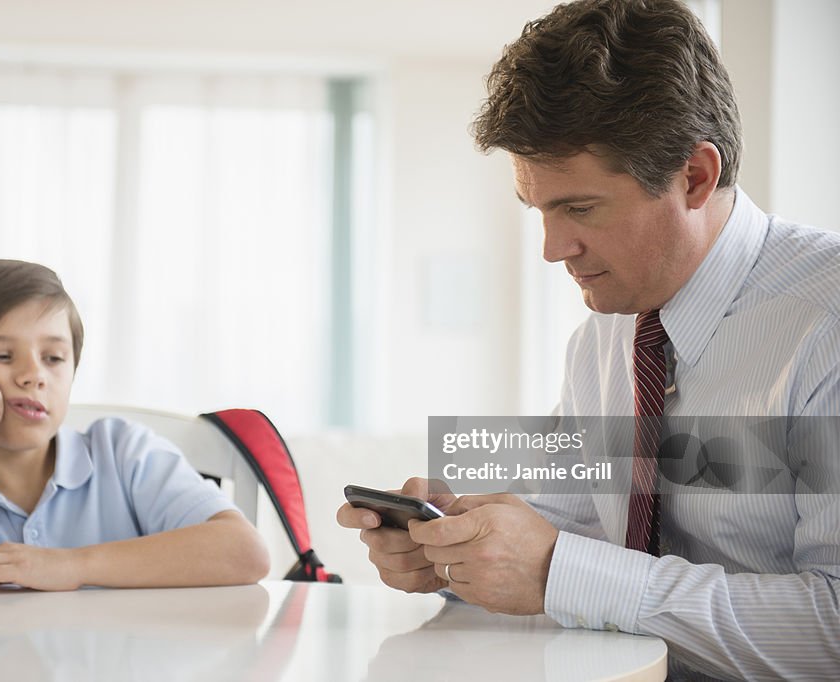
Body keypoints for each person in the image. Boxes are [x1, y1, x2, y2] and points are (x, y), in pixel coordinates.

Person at [337, 0, 840, 678]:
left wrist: (557, 570)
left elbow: (832, 628)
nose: (552, 249)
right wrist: (457, 551)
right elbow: (568, 530)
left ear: (695, 176)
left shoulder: (825, 325)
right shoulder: (603, 337)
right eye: (539, 210)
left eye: (579, 208)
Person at [0, 259, 269, 598]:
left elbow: (245, 553)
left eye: (54, 358)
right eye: (2, 357)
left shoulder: (121, 453)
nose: (33, 375)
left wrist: (68, 566)